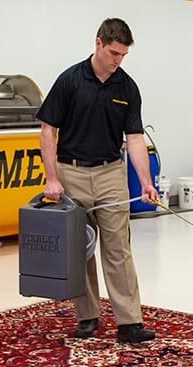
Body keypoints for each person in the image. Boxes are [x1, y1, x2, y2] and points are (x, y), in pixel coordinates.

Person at [36, 18, 157, 344]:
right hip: (71, 174)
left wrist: (146, 181)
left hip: (110, 174)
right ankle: (87, 316)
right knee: (81, 249)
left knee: (118, 248)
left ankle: (129, 322)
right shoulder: (70, 80)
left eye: (123, 55)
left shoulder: (127, 88)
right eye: (114, 53)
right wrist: (52, 178)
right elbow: (48, 130)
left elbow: (134, 138)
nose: (117, 60)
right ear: (98, 44)